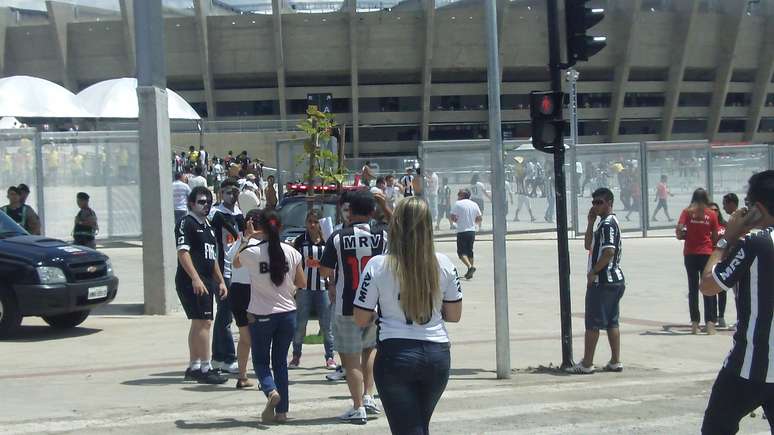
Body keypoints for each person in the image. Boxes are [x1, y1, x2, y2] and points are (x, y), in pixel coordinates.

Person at [353, 197, 463, 434]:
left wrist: (379, 311)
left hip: (396, 354)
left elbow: (360, 318)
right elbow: (454, 314)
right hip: (437, 354)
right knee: (419, 424)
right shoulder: (444, 264)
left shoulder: (378, 265)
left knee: (408, 428)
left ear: (395, 226)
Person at [699, 170, 774, 435]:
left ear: (758, 208)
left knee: (716, 429)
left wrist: (725, 239)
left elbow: (708, 285)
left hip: (749, 367)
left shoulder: (756, 242)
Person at [320, 190, 387, 424]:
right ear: (371, 211)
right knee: (370, 350)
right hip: (375, 305)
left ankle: (357, 406)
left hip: (346, 305)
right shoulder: (382, 235)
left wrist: (332, 279)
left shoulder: (338, 237)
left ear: (349, 211)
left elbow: (326, 271)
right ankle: (369, 397)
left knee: (350, 358)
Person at [233, 209, 304, 424]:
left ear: (260, 227)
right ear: (280, 227)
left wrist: (248, 237)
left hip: (262, 314)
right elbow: (302, 282)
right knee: (280, 362)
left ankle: (271, 391)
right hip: (288, 314)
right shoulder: (291, 251)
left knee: (261, 361)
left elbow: (236, 262)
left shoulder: (252, 252)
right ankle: (282, 412)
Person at [567, 188, 625, 374]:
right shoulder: (602, 223)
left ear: (610, 203)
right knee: (611, 322)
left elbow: (609, 252)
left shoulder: (608, 224)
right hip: (613, 281)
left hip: (604, 281)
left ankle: (587, 363)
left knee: (593, 323)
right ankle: (615, 361)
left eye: (599, 202)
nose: (596, 206)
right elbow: (587, 245)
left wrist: (593, 271)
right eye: (594, 203)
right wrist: (590, 222)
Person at [176, 186, 230, 385]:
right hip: (193, 281)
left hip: (208, 280)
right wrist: (195, 278)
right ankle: (206, 368)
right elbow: (183, 252)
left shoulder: (207, 225)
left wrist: (221, 280)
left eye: (208, 202)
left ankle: (195, 366)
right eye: (201, 202)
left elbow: (212, 256)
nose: (205, 205)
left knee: (199, 322)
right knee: (205, 322)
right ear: (191, 203)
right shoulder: (186, 223)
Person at [290, 210, 336, 370]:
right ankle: (296, 356)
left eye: (315, 222)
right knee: (300, 323)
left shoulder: (327, 241)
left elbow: (333, 265)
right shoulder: (300, 241)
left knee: (326, 324)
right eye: (309, 221)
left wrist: (333, 284)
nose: (312, 225)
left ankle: (330, 357)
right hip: (304, 288)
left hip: (323, 287)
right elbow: (293, 263)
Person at [208, 179, 245, 375]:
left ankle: (218, 357)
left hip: (238, 269)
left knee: (225, 314)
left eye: (235, 192)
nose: (232, 196)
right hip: (222, 271)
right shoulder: (216, 214)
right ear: (221, 193)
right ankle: (227, 357)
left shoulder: (239, 214)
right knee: (226, 314)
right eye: (228, 192)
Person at [676, 188, 720, 335]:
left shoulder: (687, 212)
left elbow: (679, 228)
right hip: (706, 253)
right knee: (707, 287)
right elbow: (715, 236)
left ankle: (695, 322)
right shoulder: (712, 214)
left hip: (690, 253)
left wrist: (683, 235)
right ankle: (710, 323)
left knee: (693, 288)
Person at [450, 188, 482, 280]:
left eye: (459, 194)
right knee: (470, 251)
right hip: (472, 231)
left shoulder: (458, 204)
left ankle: (470, 267)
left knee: (461, 252)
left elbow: (452, 216)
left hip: (462, 231)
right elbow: (479, 218)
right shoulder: (474, 204)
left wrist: (456, 220)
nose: (458, 196)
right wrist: (472, 222)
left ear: (463, 195)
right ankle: (470, 271)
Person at [708, 202, 729, 329]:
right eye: (711, 210)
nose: (714, 212)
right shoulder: (707, 226)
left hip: (723, 259)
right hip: (710, 259)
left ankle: (721, 316)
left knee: (722, 290)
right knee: (711, 290)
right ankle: (712, 316)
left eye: (716, 210)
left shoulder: (725, 225)